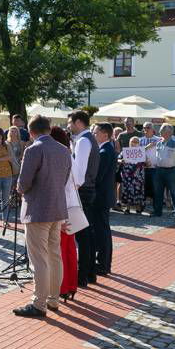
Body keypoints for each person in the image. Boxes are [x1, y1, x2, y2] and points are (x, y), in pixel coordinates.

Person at [13, 115, 72, 318]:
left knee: (39, 259)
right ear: (49, 129)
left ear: (31, 132)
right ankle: (53, 299)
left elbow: (23, 183)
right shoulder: (64, 150)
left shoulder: (33, 149)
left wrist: (20, 188)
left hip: (38, 210)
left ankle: (39, 303)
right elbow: (64, 179)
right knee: (54, 256)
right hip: (57, 208)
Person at [68, 110, 99, 287]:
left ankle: (83, 275)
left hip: (83, 190)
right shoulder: (87, 139)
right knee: (87, 234)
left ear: (78, 122)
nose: (69, 126)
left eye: (70, 122)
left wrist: (73, 190)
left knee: (83, 235)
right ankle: (90, 273)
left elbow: (79, 173)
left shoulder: (83, 141)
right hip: (88, 189)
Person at [49, 126, 78, 302]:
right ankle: (71, 285)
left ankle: (63, 286)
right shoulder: (69, 155)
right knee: (69, 249)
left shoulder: (59, 156)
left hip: (62, 206)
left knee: (59, 249)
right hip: (72, 204)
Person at [93, 123, 117, 276]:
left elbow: (98, 177)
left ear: (105, 134)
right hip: (104, 195)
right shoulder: (107, 149)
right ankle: (104, 262)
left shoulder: (104, 151)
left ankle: (103, 264)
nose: (94, 135)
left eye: (96, 132)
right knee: (104, 230)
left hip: (101, 197)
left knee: (102, 231)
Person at [150, 123, 175, 218]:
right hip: (159, 170)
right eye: (161, 131)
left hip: (172, 170)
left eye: (163, 131)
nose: (161, 133)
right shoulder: (158, 143)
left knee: (174, 192)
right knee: (158, 192)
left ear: (170, 133)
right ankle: (157, 212)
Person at [119, 136, 145, 214]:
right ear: (129, 143)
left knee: (138, 190)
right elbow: (118, 159)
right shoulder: (125, 151)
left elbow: (146, 162)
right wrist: (121, 161)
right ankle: (127, 208)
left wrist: (147, 162)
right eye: (132, 142)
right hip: (127, 175)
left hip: (138, 175)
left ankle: (138, 208)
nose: (134, 143)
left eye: (136, 142)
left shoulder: (141, 151)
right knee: (127, 190)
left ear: (139, 143)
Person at [139, 122, 161, 208]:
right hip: (143, 167)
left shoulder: (159, 139)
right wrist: (147, 147)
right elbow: (138, 152)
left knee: (155, 188)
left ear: (153, 129)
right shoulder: (140, 140)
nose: (146, 129)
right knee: (143, 187)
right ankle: (142, 206)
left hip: (155, 167)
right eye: (144, 127)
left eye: (148, 127)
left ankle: (156, 208)